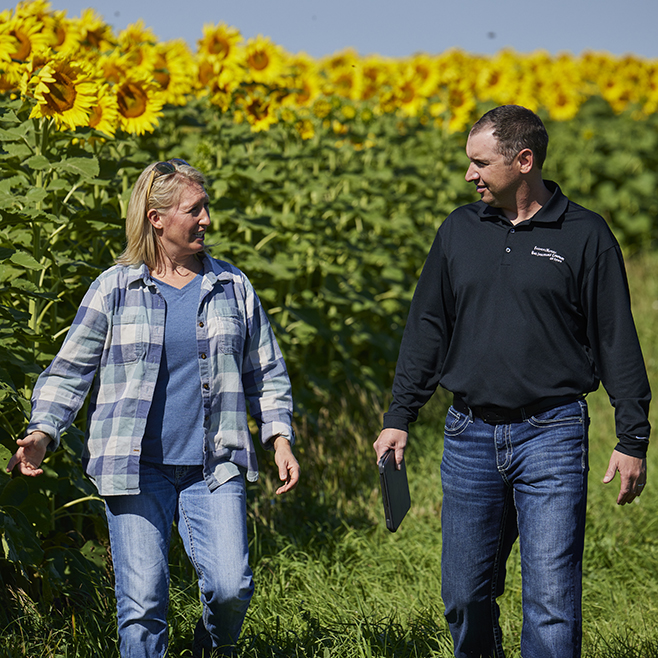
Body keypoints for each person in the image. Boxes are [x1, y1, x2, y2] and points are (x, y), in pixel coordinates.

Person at [373, 105, 650, 658]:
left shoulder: (585, 234)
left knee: (550, 603)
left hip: (551, 435)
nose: (469, 175)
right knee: (464, 597)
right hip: (469, 436)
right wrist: (399, 416)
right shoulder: (458, 229)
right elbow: (427, 326)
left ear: (524, 161)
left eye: (480, 163)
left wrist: (631, 437)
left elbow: (616, 338)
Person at [7, 159, 300, 658]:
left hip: (215, 463)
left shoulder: (232, 286)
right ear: (156, 218)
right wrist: (42, 432)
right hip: (134, 468)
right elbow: (70, 369)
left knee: (232, 588)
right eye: (195, 210)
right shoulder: (114, 287)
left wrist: (280, 438)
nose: (207, 219)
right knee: (142, 605)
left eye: (206, 208)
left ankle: (210, 650)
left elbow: (265, 370)